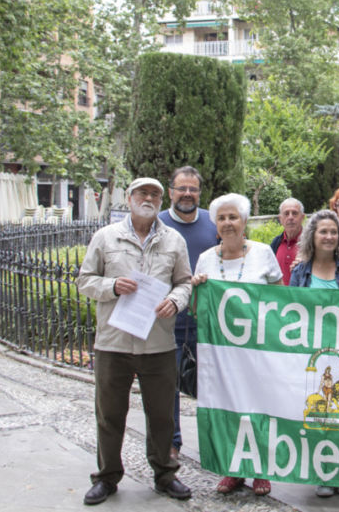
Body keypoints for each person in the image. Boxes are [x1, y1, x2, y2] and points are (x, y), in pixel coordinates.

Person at [77, 177, 193, 505]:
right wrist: (112, 286)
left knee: (161, 416)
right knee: (109, 413)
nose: (149, 198)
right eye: (143, 192)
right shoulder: (106, 236)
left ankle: (165, 473)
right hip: (113, 343)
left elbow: (184, 282)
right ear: (129, 198)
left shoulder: (174, 240)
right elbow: (84, 281)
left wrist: (176, 300)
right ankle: (107, 476)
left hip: (157, 343)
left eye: (155, 194)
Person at [192, 192, 281, 496]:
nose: (228, 223)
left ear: (244, 221)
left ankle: (260, 470)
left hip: (257, 350)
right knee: (227, 408)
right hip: (220, 353)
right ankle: (233, 470)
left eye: (233, 217)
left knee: (258, 406)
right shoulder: (205, 259)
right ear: (215, 224)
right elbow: (196, 309)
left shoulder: (262, 253)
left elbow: (280, 301)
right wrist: (196, 290)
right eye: (222, 218)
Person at [287, 208, 339, 497]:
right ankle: (323, 472)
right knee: (318, 413)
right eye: (323, 232)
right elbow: (290, 312)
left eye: (333, 232)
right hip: (312, 353)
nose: (329, 236)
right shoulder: (299, 272)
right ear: (312, 236)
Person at [157, 166, 218, 464]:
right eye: (182, 188)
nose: (187, 194)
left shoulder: (213, 222)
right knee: (168, 388)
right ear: (170, 191)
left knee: (215, 385)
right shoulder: (158, 225)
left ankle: (217, 444)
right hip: (170, 322)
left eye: (193, 189)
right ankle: (172, 444)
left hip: (209, 322)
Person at [270, 197, 304, 285]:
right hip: (279, 297)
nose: (290, 217)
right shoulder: (275, 243)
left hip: (302, 297)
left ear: (302, 217)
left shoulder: (312, 243)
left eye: (295, 213)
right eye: (286, 213)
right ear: (280, 219)